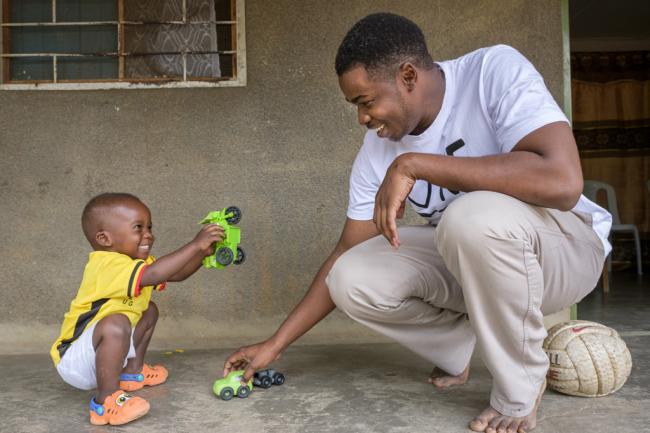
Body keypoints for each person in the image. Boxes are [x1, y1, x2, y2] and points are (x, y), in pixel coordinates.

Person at [223, 12, 612, 433]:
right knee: (350, 276)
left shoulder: (491, 71)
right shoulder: (376, 150)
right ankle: (456, 345)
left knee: (469, 217)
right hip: (477, 263)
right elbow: (346, 251)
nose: (362, 119)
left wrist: (415, 164)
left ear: (408, 76)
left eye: (366, 102)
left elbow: (562, 181)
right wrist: (275, 344)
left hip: (565, 251)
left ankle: (519, 388)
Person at [50, 192, 224, 426]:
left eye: (149, 227)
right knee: (116, 322)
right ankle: (105, 402)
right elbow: (155, 274)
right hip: (74, 360)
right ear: (104, 239)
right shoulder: (105, 264)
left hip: (104, 355)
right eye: (138, 228)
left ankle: (132, 373)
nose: (148, 234)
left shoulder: (136, 263)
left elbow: (175, 273)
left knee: (148, 310)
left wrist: (203, 253)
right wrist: (194, 245)